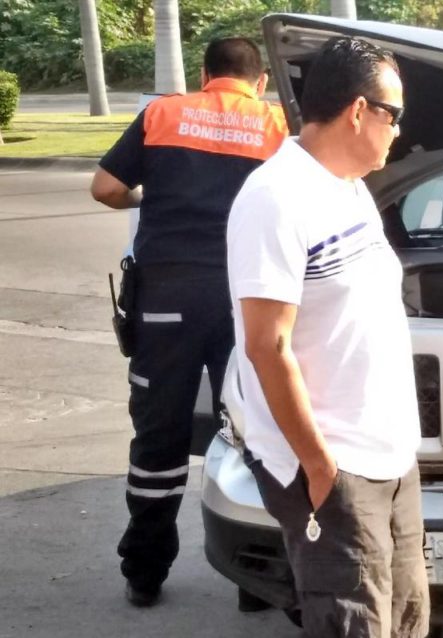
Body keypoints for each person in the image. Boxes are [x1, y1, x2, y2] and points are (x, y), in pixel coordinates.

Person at [226, 37, 429, 637]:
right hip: (335, 463)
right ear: (358, 111)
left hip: (388, 456)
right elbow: (268, 346)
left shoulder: (349, 187)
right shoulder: (276, 198)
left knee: (407, 615)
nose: (399, 130)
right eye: (395, 114)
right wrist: (320, 469)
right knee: (355, 625)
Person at [90, 37, 288, 608]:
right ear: (260, 82)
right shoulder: (275, 125)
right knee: (253, 431)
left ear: (204, 74)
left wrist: (146, 198)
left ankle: (145, 573)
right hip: (244, 300)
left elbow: (105, 187)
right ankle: (255, 579)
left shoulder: (162, 113)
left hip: (166, 299)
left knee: (160, 436)